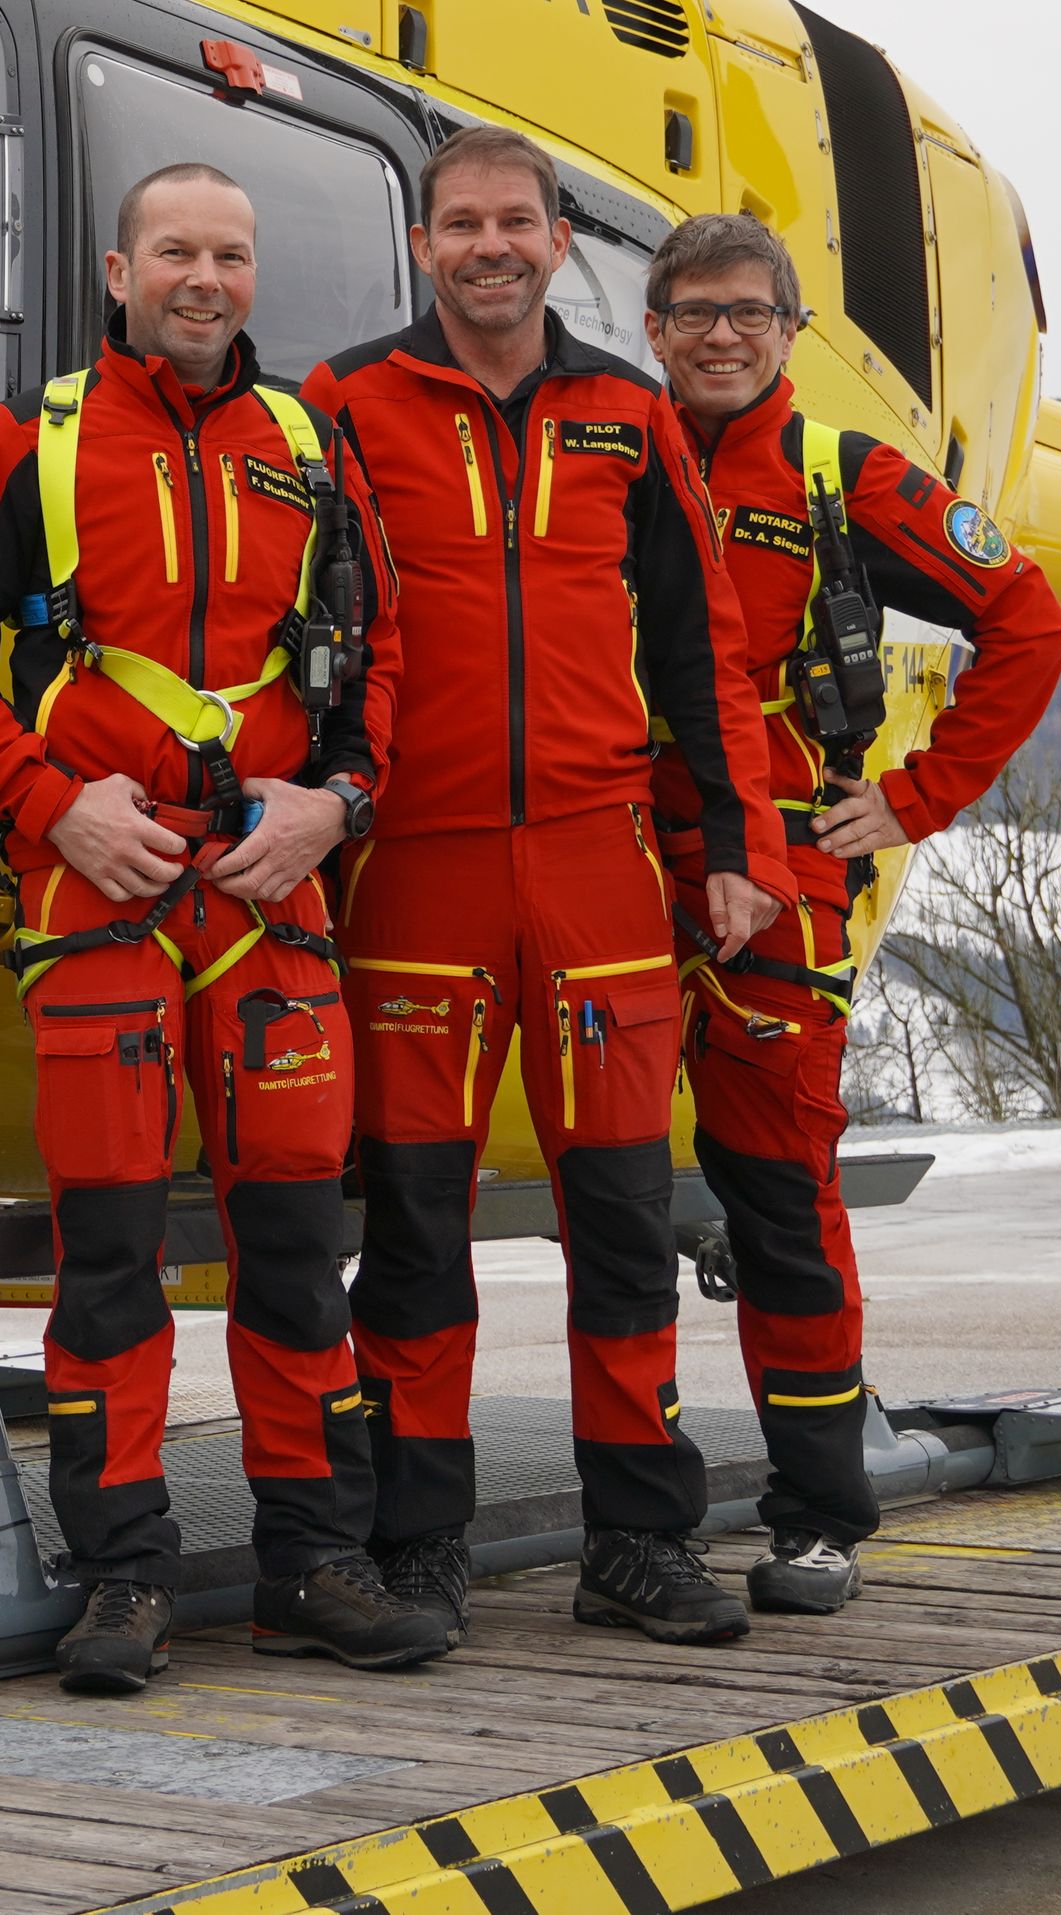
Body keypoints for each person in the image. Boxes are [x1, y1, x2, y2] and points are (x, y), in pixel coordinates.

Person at [0, 159, 450, 1695]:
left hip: (270, 898)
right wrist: (49, 803)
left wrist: (338, 804)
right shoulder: (36, 440)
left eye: (232, 254)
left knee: (292, 1253)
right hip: (104, 891)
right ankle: (120, 1579)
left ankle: (313, 1566)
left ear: (252, 276)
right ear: (119, 269)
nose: (205, 278)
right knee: (112, 1263)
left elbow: (381, 652)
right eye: (176, 252)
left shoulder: (308, 446)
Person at [302, 128, 792, 1651]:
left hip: (595, 868)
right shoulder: (343, 404)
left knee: (627, 1221)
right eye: (462, 223)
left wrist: (737, 847)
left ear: (560, 232)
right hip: (418, 873)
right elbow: (299, 625)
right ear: (424, 241)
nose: (491, 246)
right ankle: (418, 1539)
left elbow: (702, 653)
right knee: (416, 1228)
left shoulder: (630, 415)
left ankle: (638, 1540)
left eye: (517, 220)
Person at [641, 210, 1061, 1615]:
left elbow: (1029, 617)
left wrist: (921, 794)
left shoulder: (847, 478)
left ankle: (819, 1515)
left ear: (789, 333)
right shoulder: (602, 458)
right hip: (612, 874)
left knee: (781, 1209)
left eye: (747, 314)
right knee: (608, 1203)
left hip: (782, 891)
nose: (718, 336)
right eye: (693, 310)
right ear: (651, 326)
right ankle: (626, 1522)